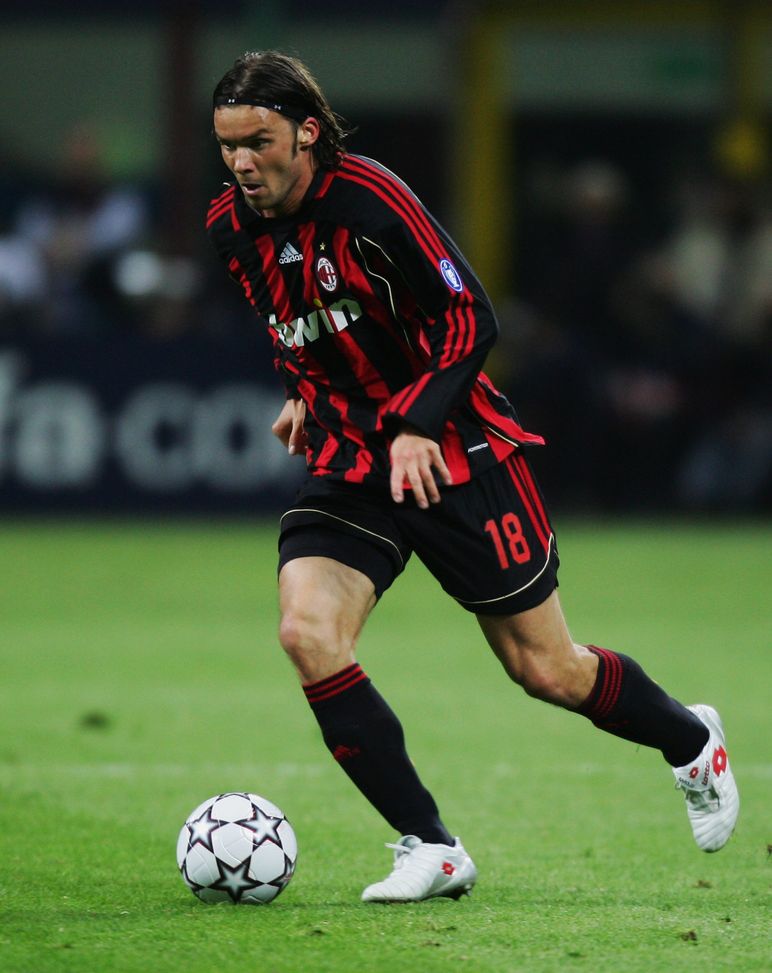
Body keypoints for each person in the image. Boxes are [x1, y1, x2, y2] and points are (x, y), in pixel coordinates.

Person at [206, 51, 739, 903]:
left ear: (305, 133)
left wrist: (418, 425)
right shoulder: (230, 223)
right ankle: (432, 846)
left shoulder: (372, 201)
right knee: (307, 631)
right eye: (227, 144)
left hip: (453, 445)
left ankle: (689, 739)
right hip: (352, 458)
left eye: (257, 142)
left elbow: (469, 314)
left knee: (546, 669)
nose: (240, 162)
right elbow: (291, 317)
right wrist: (303, 391)